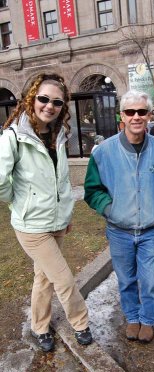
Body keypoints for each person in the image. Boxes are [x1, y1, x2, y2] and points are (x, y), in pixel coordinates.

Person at [0, 73, 92, 352]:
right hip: (31, 226)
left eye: (56, 102)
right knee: (63, 279)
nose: (49, 106)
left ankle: (39, 327)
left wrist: (65, 215)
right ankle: (81, 323)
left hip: (56, 221)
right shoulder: (13, 135)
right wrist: (18, 203)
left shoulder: (59, 134)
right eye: (43, 99)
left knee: (44, 276)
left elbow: (61, 181)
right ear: (32, 99)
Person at [84, 90, 154, 343]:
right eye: (130, 112)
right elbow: (92, 190)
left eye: (141, 111)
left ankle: (149, 319)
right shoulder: (103, 152)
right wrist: (111, 209)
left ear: (149, 115)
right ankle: (132, 316)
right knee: (126, 278)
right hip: (119, 231)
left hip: (149, 231)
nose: (136, 117)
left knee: (150, 280)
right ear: (122, 115)